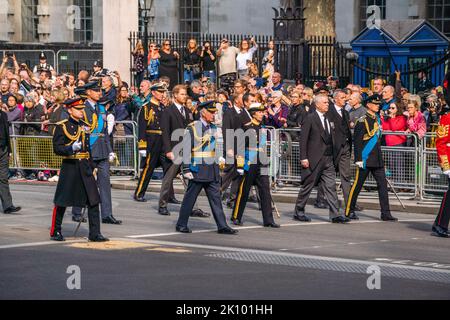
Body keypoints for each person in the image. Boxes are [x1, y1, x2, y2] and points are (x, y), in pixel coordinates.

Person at [50, 97, 108, 242]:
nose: (82, 111)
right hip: (70, 166)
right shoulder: (62, 126)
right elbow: (57, 149)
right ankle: (56, 230)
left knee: (93, 200)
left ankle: (95, 233)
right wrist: (71, 148)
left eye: (82, 109)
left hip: (85, 166)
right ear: (70, 110)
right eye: (78, 109)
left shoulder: (85, 126)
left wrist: (92, 166)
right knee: (62, 201)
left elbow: (87, 147)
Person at [176, 100, 238, 235]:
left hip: (212, 169)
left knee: (216, 199)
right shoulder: (192, 128)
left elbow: (213, 147)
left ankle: (222, 225)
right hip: (197, 168)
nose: (214, 115)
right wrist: (185, 169)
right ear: (203, 113)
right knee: (190, 199)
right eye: (211, 112)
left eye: (215, 112)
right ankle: (181, 224)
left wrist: (219, 157)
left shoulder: (214, 128)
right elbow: (186, 149)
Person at [71, 81, 122, 225]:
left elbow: (104, 131)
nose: (99, 92)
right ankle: (77, 211)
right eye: (96, 90)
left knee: (105, 183)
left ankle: (107, 214)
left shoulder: (101, 108)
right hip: (89, 149)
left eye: (100, 90)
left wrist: (110, 151)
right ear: (88, 92)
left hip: (102, 150)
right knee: (84, 182)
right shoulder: (82, 107)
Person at [294, 95, 349, 224]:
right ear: (317, 104)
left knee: (331, 187)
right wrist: (303, 158)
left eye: (327, 102)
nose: (327, 104)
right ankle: (299, 211)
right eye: (324, 102)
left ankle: (335, 214)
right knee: (308, 185)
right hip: (314, 158)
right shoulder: (310, 118)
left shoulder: (329, 118)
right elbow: (303, 140)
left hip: (328, 158)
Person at [345, 95, 398, 222]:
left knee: (383, 186)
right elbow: (357, 141)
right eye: (375, 104)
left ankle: (385, 213)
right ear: (368, 105)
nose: (377, 105)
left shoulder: (377, 119)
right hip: (365, 158)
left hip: (377, 159)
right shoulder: (362, 121)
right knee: (357, 185)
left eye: (378, 104)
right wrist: (358, 159)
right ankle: (349, 211)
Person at [232, 103, 280, 228]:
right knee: (244, 191)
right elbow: (240, 148)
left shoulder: (263, 128)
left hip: (262, 162)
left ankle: (268, 220)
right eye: (259, 112)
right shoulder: (247, 127)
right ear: (253, 113)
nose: (262, 114)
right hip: (250, 162)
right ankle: (236, 216)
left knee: (265, 190)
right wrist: (240, 166)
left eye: (262, 112)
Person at [158, 84, 196, 216]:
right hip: (174, 149)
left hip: (187, 150)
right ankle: (162, 205)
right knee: (168, 180)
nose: (184, 96)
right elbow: (165, 132)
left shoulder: (188, 111)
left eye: (185, 94)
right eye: (181, 94)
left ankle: (191, 207)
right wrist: (168, 150)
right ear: (174, 95)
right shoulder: (168, 111)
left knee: (189, 179)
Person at [134, 82, 170, 202]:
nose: (162, 94)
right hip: (151, 141)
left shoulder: (162, 107)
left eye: (163, 92)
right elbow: (142, 128)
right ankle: (139, 193)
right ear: (153, 92)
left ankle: (169, 195)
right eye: (160, 92)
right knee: (148, 168)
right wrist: (142, 146)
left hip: (162, 141)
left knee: (168, 169)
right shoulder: (146, 107)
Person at [326, 89, 353, 210]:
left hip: (345, 148)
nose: (345, 100)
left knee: (346, 176)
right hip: (333, 149)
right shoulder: (329, 111)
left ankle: (349, 205)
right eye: (342, 98)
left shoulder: (345, 113)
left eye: (345, 98)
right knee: (328, 177)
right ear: (335, 99)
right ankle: (324, 200)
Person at [433, 76, 450, 237]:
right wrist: (446, 166)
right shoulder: (447, 117)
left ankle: (439, 223)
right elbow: (441, 143)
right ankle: (440, 225)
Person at [0, 104, 20, 214]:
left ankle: (8, 206)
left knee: (3, 178)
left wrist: (10, 150)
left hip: (3, 150)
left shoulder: (3, 114)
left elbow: (6, 133)